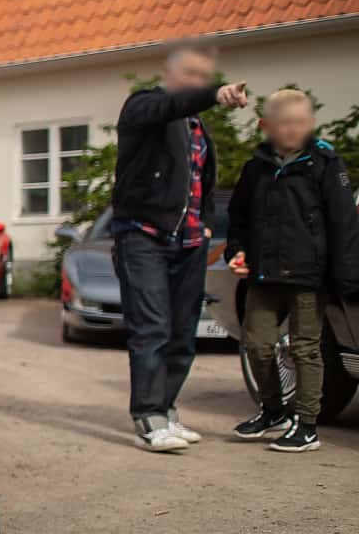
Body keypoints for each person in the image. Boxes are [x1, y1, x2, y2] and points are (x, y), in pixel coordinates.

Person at [110, 40, 248, 452]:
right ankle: (148, 417)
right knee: (151, 330)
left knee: (182, 334)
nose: (197, 81)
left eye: (204, 77)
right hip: (143, 237)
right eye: (190, 73)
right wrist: (214, 95)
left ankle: (166, 410)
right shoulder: (143, 107)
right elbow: (169, 106)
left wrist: (204, 227)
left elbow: (202, 184)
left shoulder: (198, 129)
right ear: (168, 73)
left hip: (189, 242)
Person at [225, 89, 359, 453]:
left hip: (309, 276)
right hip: (264, 274)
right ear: (266, 125)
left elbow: (344, 224)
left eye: (300, 122)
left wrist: (345, 279)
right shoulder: (255, 169)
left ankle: (307, 425)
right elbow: (239, 220)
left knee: (305, 350)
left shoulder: (325, 164)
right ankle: (272, 410)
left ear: (310, 124)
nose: (293, 129)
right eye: (285, 123)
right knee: (257, 344)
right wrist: (237, 251)